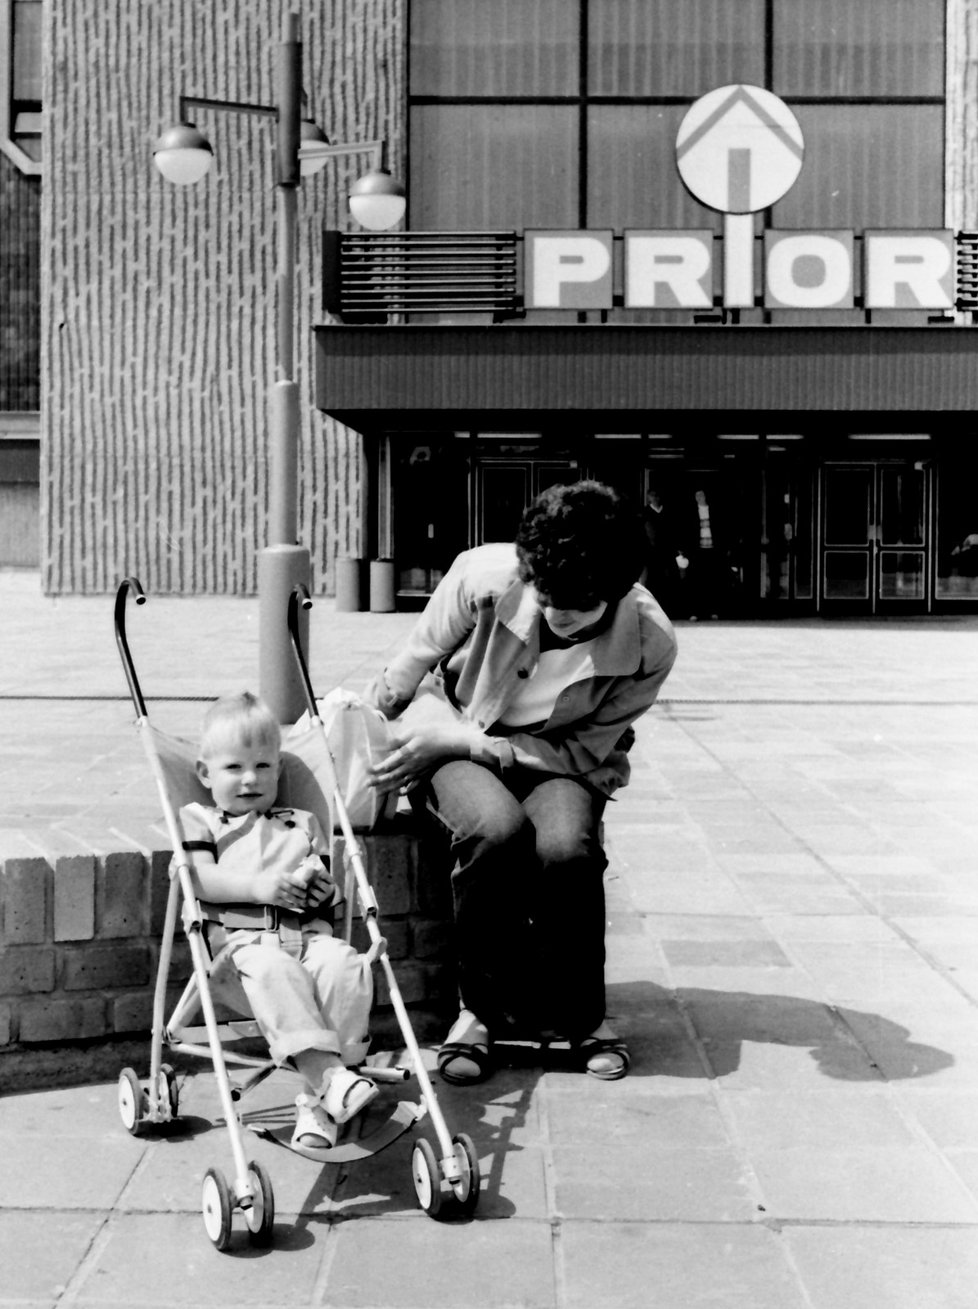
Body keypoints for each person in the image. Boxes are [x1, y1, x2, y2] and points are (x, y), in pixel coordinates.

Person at [366, 480, 677, 1083]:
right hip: (447, 732)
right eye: (547, 596)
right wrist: (368, 726)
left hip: (555, 756)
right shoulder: (483, 575)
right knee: (495, 830)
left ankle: (582, 1017)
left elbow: (586, 750)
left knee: (568, 850)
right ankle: (478, 1012)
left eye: (579, 606)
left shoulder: (651, 642)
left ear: (619, 592)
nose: (557, 616)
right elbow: (410, 663)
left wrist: (472, 743)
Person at [179, 691, 377, 1150]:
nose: (250, 778)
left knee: (346, 963)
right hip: (241, 958)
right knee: (275, 969)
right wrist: (259, 887)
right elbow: (201, 879)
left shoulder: (303, 823)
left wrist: (324, 890)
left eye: (264, 766)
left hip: (307, 941)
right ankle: (330, 1078)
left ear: (279, 769)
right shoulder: (202, 821)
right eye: (234, 767)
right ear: (205, 774)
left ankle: (322, 1100)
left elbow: (325, 893)